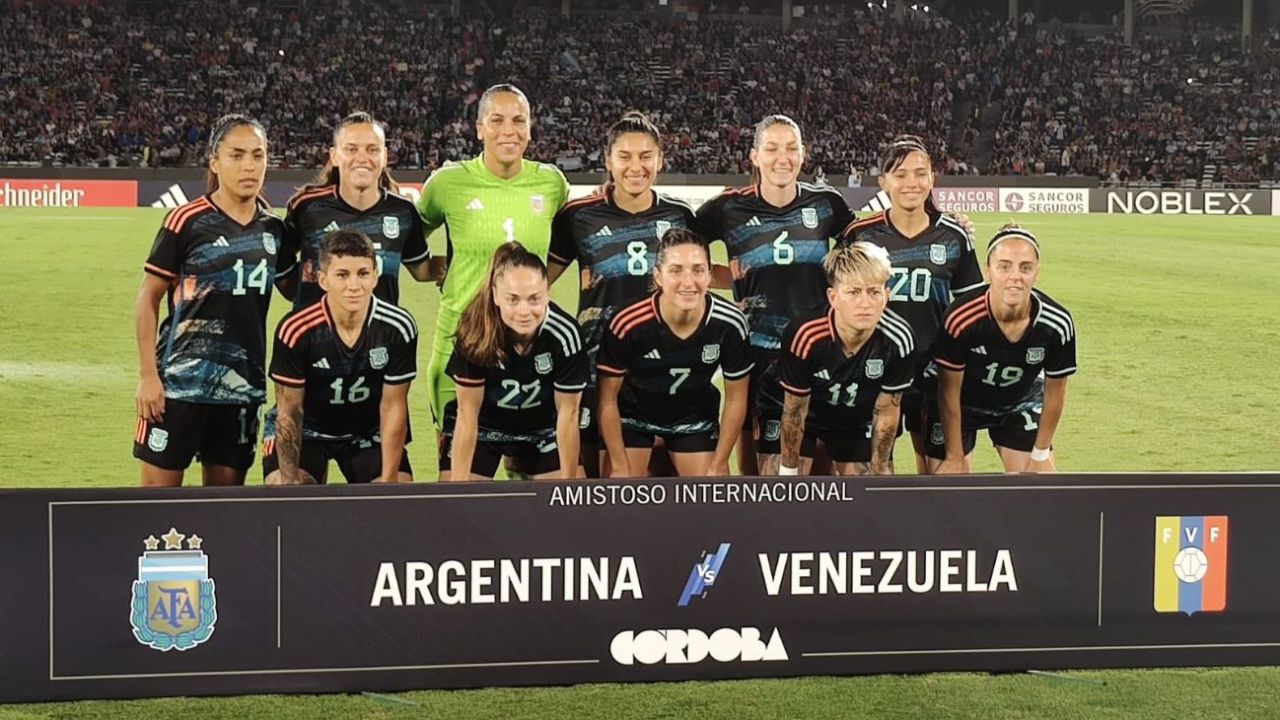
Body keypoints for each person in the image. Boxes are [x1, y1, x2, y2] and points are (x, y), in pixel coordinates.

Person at [133, 114, 287, 487]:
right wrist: (148, 378)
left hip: (240, 391)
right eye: (237, 155)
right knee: (155, 508)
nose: (249, 166)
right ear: (214, 162)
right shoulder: (186, 221)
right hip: (178, 387)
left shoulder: (274, 230)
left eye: (258, 155)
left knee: (223, 512)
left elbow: (306, 293)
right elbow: (148, 299)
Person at [696, 115, 854, 476]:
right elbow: (680, 254)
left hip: (819, 349)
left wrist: (938, 215)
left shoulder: (827, 203)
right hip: (755, 350)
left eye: (791, 149)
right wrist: (731, 276)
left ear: (803, 155)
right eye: (771, 148)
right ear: (754, 156)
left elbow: (863, 255)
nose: (782, 158)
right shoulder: (727, 208)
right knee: (756, 468)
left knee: (821, 466)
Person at [547, 112, 697, 476]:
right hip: (597, 367)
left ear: (660, 159)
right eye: (625, 156)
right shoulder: (577, 216)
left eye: (646, 156)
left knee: (669, 490)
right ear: (608, 159)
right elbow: (541, 280)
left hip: (666, 367)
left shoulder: (679, 215)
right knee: (603, 489)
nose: (636, 166)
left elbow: (699, 275)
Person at [416, 84, 571, 436]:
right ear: (479, 128)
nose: (508, 130)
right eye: (496, 120)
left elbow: (566, 245)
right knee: (456, 461)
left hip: (527, 339)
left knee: (525, 459)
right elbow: (410, 238)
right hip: (460, 334)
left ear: (530, 129)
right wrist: (433, 269)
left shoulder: (550, 183)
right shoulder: (448, 183)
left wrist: (542, 283)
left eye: (519, 120)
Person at [839, 135, 984, 474]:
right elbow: (838, 304)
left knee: (943, 476)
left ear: (932, 179)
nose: (911, 183)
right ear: (883, 182)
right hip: (872, 370)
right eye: (900, 174)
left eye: (920, 173)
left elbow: (970, 309)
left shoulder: (953, 236)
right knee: (871, 475)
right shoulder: (859, 236)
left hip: (934, 372)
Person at [263, 230, 418, 484]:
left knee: (396, 491)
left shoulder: (398, 327)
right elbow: (290, 411)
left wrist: (389, 482)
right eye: (342, 275)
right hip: (308, 430)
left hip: (367, 432)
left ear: (376, 276)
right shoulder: (297, 330)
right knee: (283, 485)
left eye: (363, 274)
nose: (354, 286)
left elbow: (393, 406)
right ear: (323, 280)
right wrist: (290, 484)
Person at [596, 229, 753, 478]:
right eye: (676, 271)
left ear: (710, 274)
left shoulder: (730, 323)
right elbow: (606, 400)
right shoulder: (627, 323)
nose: (688, 282)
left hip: (694, 419)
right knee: (620, 500)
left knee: (711, 498)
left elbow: (735, 399)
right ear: (658, 276)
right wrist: (619, 465)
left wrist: (719, 463)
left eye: (698, 270)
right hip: (633, 418)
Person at [757, 242, 915, 476]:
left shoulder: (898, 338)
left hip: (856, 420)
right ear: (833, 297)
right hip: (802, 415)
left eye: (874, 292)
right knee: (782, 495)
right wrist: (788, 473)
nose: (865, 303)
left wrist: (879, 469)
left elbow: (887, 411)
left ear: (887, 295)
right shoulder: (806, 335)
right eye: (853, 292)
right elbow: (794, 410)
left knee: (872, 498)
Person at [930, 224, 1077, 474]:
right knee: (949, 490)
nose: (1015, 276)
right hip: (962, 406)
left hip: (1019, 403)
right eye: (1004, 266)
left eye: (1026, 268)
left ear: (1037, 273)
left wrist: (1040, 454)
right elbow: (948, 392)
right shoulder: (960, 319)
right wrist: (954, 455)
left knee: (1039, 490)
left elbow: (1055, 391)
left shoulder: (1056, 324)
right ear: (988, 271)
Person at [441, 243, 586, 480]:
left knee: (566, 505)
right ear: (496, 295)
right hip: (484, 430)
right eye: (513, 300)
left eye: (534, 299)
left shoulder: (564, 335)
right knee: (459, 504)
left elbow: (568, 415)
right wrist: (459, 490)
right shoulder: (475, 331)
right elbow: (467, 415)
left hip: (543, 432)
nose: (524, 311)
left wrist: (567, 488)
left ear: (547, 293)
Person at [278, 111, 439, 309]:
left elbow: (422, 270)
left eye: (372, 150)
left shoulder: (402, 212)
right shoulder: (307, 207)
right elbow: (281, 267)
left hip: (380, 336)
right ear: (334, 156)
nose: (362, 158)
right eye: (351, 149)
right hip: (314, 337)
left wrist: (466, 261)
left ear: (385, 157)